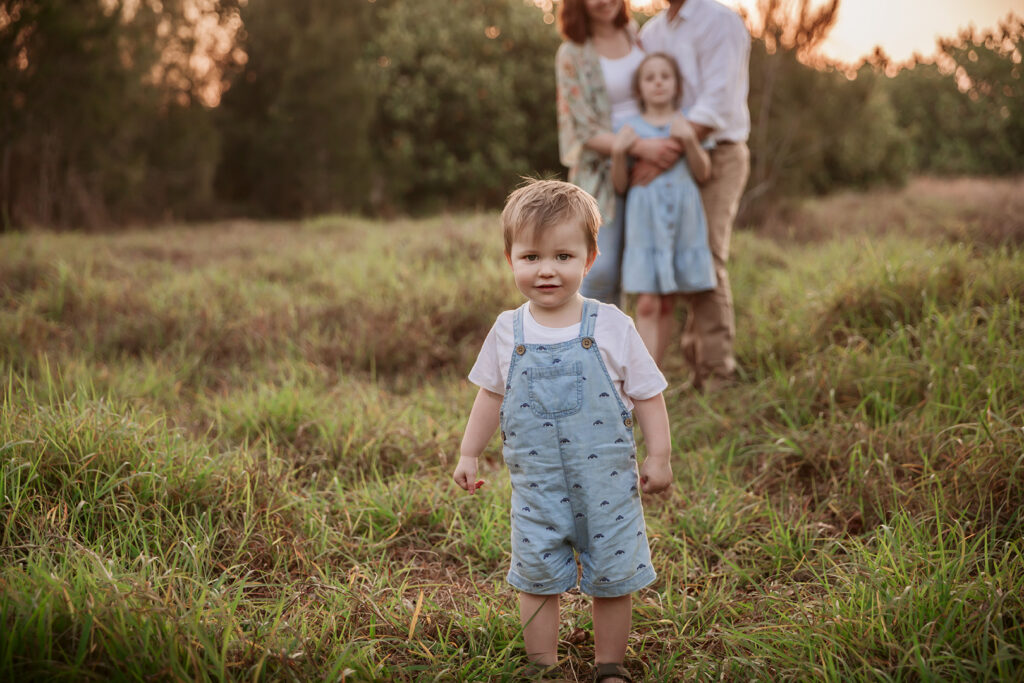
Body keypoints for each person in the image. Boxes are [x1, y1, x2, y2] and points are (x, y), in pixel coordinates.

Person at [452, 180, 673, 683]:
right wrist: (469, 453)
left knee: (613, 579)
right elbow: (490, 395)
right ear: (510, 258)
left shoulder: (611, 323)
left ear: (589, 259)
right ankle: (543, 667)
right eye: (530, 256)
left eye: (563, 255)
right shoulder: (509, 330)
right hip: (538, 486)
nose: (546, 269)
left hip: (608, 486)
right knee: (535, 576)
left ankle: (609, 666)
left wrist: (658, 456)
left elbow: (647, 394)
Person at [637, 0, 751, 391]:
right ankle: (696, 369)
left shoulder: (721, 22)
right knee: (683, 261)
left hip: (718, 154)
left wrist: (662, 156)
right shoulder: (652, 33)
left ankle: (720, 374)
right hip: (671, 160)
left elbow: (715, 104)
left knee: (706, 256)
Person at [555, 0, 682, 305]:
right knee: (601, 269)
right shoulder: (572, 53)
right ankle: (583, 344)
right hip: (602, 170)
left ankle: (620, 347)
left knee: (640, 272)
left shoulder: (635, 34)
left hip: (654, 168)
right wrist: (639, 146)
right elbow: (583, 128)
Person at [611, 52, 716, 367]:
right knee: (646, 304)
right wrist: (618, 152)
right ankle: (642, 379)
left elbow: (703, 173)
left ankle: (653, 380)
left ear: (677, 84)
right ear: (639, 88)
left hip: (682, 220)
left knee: (668, 303)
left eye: (665, 76)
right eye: (649, 77)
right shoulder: (628, 128)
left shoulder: (686, 123)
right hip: (645, 222)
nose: (658, 82)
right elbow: (619, 185)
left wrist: (690, 141)